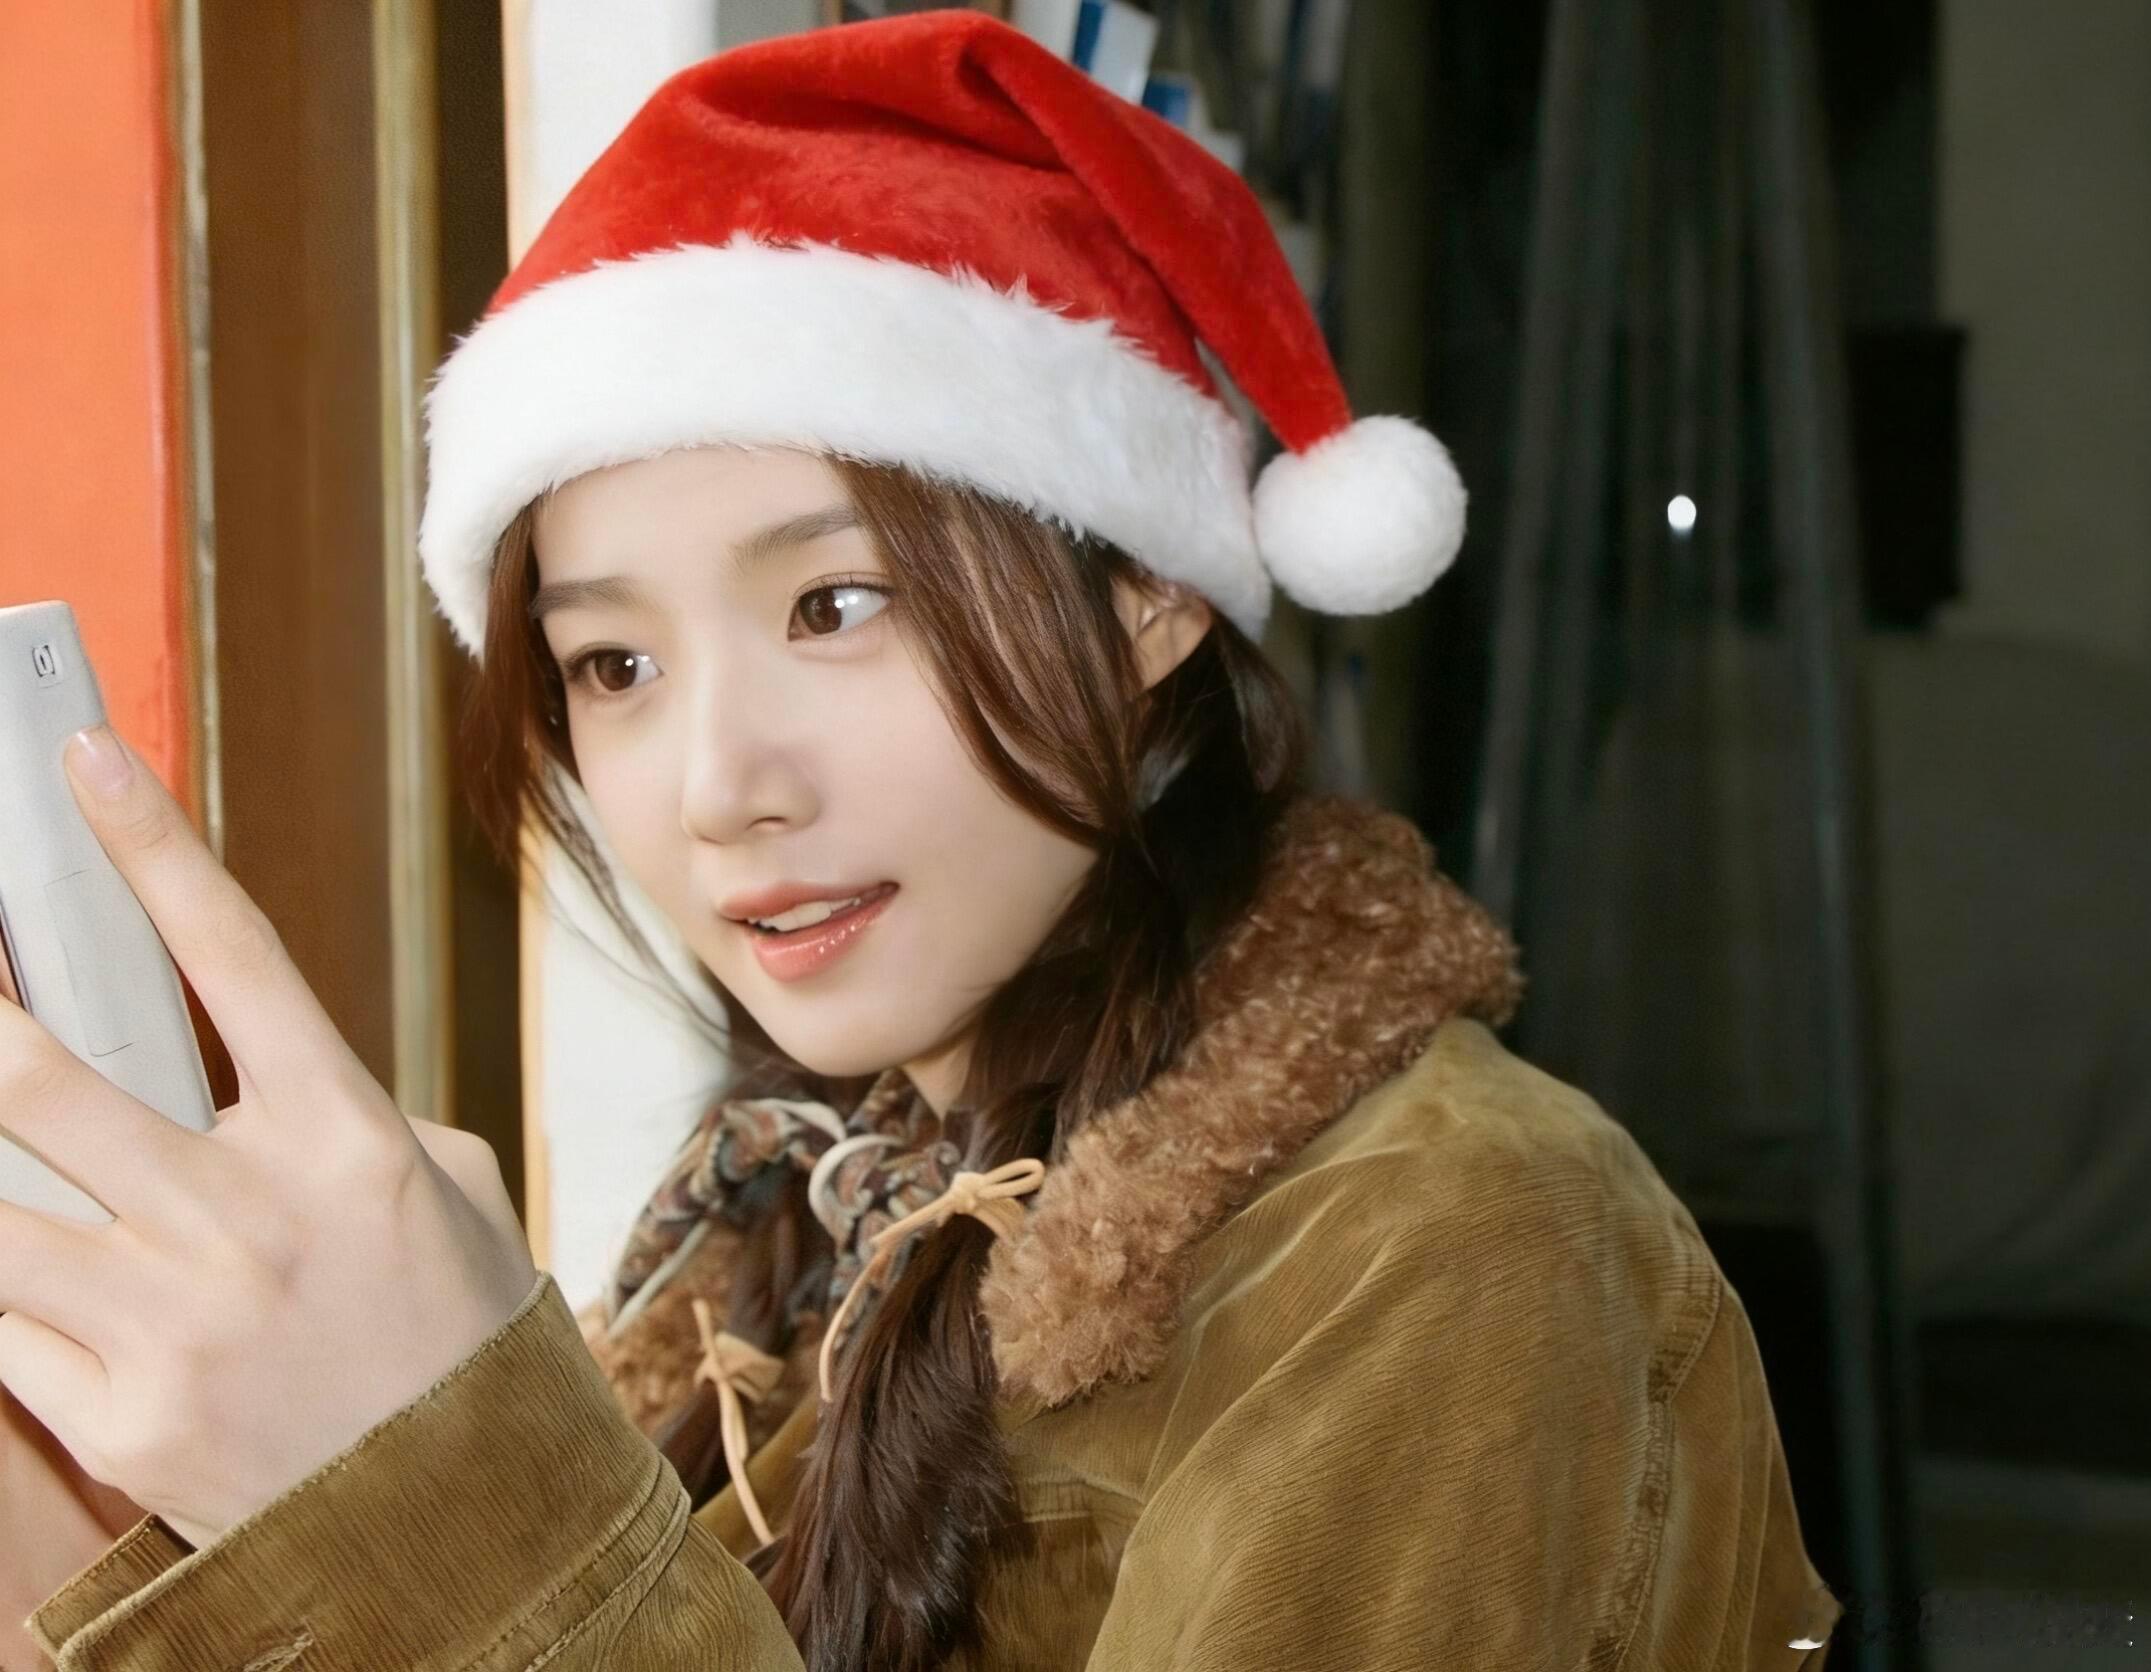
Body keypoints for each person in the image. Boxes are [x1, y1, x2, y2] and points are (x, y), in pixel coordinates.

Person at [9, 12, 1841, 1669]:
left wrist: (456, 1515)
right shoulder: (804, 1229)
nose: (717, 783)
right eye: (615, 663)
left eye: (835, 606)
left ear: (1147, 599)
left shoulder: (1452, 1251)